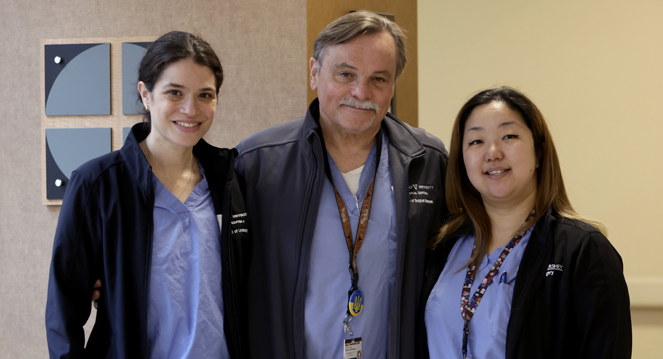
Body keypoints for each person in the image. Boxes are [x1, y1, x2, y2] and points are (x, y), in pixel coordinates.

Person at [234, 11, 447, 359]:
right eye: (345, 74)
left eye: (379, 79)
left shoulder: (429, 161)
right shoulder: (255, 163)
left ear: (394, 85)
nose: (361, 92)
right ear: (315, 73)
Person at [45, 31, 250, 358]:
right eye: (174, 92)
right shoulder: (96, 184)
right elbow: (64, 309)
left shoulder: (232, 179)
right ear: (146, 94)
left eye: (205, 95)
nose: (190, 109)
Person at [417, 87, 632, 358]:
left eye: (509, 136)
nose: (492, 152)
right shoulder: (443, 247)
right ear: (462, 160)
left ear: (539, 151)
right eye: (476, 141)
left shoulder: (583, 251)